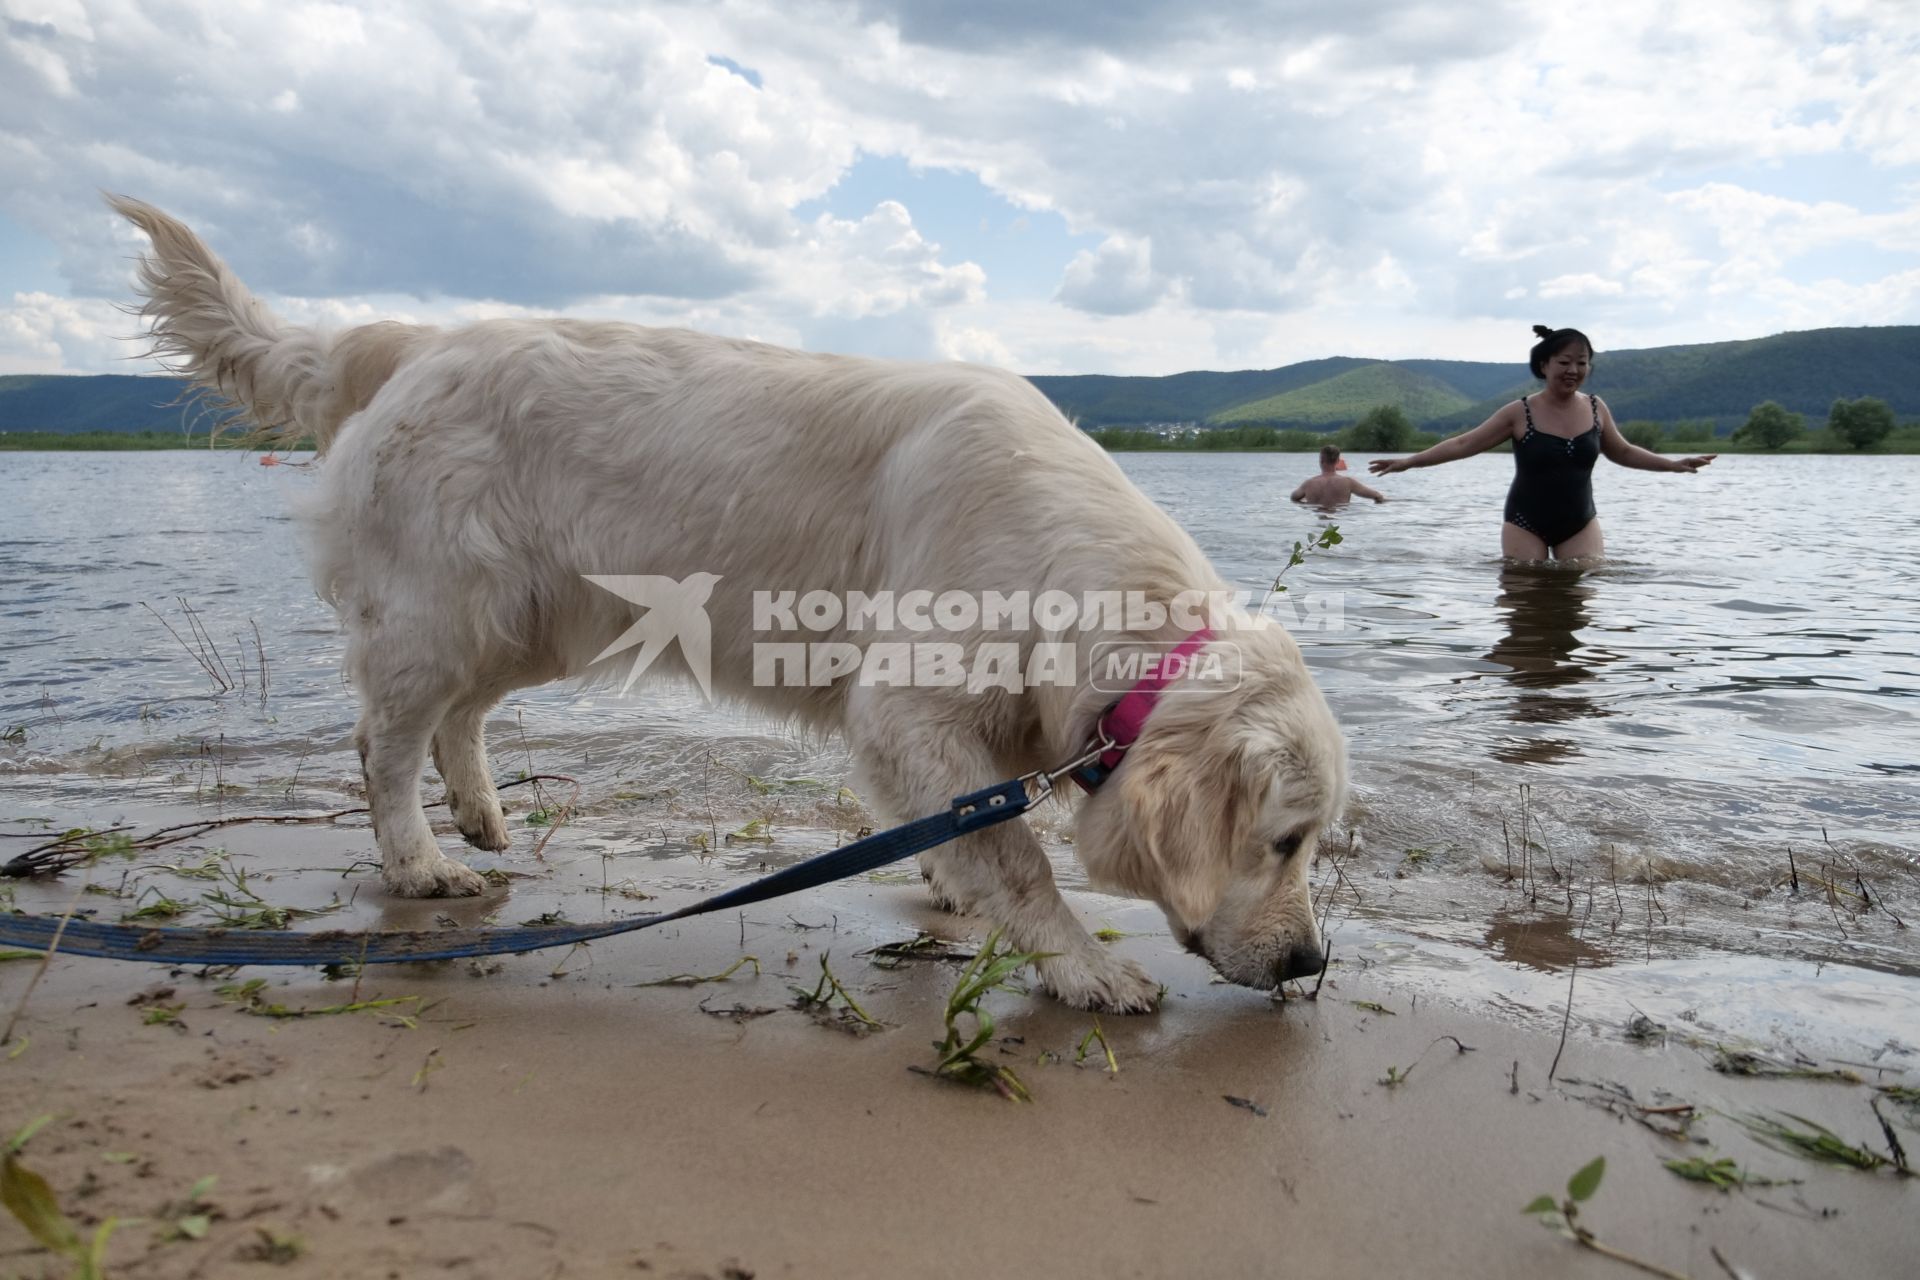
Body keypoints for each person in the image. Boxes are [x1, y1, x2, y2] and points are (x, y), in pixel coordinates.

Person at [1367, 326, 1714, 559]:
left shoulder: (1596, 408)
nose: (1573, 370)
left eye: (1582, 363)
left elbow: (1622, 451)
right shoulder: (1519, 412)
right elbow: (1463, 444)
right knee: (1526, 608)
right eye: (1564, 362)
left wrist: (1673, 465)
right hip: (1525, 522)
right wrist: (1409, 461)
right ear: (1544, 365)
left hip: (1580, 521)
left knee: (1578, 604)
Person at [1291, 444, 1387, 506]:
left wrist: (1306, 504)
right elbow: (1377, 496)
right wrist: (1379, 501)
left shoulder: (1309, 484)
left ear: (1321, 460)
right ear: (1337, 461)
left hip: (1316, 524)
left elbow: (1294, 498)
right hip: (1340, 522)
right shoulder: (1348, 482)